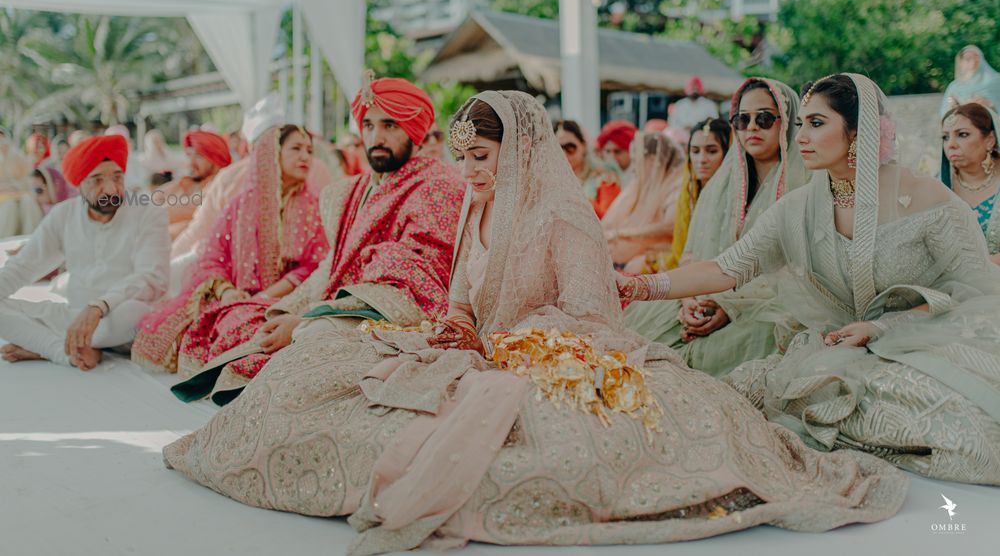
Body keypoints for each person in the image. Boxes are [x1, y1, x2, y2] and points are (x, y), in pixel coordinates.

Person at [162, 89, 906, 553]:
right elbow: (459, 288)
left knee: (522, 448)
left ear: (516, 150)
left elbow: (588, 314)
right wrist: (456, 321)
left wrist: (494, 341)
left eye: (479, 157)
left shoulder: (563, 218)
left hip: (550, 355)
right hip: (474, 347)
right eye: (461, 157)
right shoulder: (478, 207)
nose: (469, 172)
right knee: (312, 369)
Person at [620, 73, 1000, 484]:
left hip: (921, 342)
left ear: (858, 132)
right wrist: (639, 287)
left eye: (817, 124)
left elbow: (974, 291)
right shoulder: (798, 207)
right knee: (725, 405)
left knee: (967, 431)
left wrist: (882, 326)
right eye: (800, 124)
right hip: (831, 350)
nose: (801, 136)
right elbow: (725, 269)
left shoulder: (927, 199)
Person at [166, 75, 465, 404]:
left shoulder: (438, 183)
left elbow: (414, 281)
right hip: (331, 305)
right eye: (368, 125)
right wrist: (281, 311)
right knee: (251, 320)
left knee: (312, 336)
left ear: (415, 132)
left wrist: (303, 321)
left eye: (390, 126)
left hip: (387, 316)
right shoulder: (351, 192)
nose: (376, 137)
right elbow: (330, 265)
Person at [625, 78, 809, 378]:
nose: (751, 128)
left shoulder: (803, 184)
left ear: (785, 122)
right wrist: (689, 299)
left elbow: (796, 271)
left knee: (729, 350)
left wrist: (730, 306)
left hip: (764, 306)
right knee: (638, 331)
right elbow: (693, 254)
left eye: (763, 119)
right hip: (705, 293)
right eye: (742, 119)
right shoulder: (722, 185)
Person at [131, 125, 329, 380]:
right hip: (233, 295)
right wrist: (227, 291)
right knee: (174, 329)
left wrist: (265, 296)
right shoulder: (242, 204)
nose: (305, 156)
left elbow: (314, 265)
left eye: (310, 151)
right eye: (296, 148)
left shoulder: (314, 207)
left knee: (252, 327)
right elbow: (212, 255)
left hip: (288, 300)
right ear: (271, 154)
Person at [0, 135, 169, 369]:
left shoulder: (148, 213)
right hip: (74, 316)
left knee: (133, 311)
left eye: (117, 177)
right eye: (97, 180)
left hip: (120, 318)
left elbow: (153, 278)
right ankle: (63, 350)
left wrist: (99, 306)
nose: (110, 189)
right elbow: (22, 266)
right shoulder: (63, 215)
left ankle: (50, 344)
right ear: (79, 183)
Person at [169, 95, 334, 262]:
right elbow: (200, 231)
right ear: (250, 148)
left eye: (275, 143)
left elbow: (331, 229)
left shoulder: (313, 170)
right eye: (263, 145)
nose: (268, 152)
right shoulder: (230, 179)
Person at [642, 118, 731, 272]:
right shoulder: (690, 192)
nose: (701, 160)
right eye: (695, 151)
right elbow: (681, 251)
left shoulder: (733, 197)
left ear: (728, 154)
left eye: (712, 151)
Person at [601, 132, 684, 272]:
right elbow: (611, 221)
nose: (634, 168)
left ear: (652, 160)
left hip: (659, 254)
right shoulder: (639, 184)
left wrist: (623, 234)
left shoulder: (677, 184)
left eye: (636, 161)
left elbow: (670, 227)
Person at [941, 102, 1000, 263]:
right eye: (945, 137)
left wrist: (983, 266)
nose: (951, 145)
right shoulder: (938, 186)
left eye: (963, 134)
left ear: (990, 140)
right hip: (954, 283)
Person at [154, 129, 231, 240]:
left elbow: (195, 209)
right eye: (189, 155)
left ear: (217, 160)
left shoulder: (220, 186)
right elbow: (151, 200)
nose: (191, 162)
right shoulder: (184, 182)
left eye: (199, 156)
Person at [553, 119, 620, 218]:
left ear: (583, 146)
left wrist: (574, 197)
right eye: (558, 148)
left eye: (570, 147)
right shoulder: (551, 181)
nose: (564, 154)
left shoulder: (604, 178)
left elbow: (609, 218)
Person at [0, 128, 42, 238]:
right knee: (10, 206)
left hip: (20, 193)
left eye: (3, 142)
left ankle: (30, 236)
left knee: (28, 202)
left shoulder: (17, 157)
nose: (2, 146)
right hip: (3, 197)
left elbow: (28, 178)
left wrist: (17, 185)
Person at [940, 45, 1000, 115]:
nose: (973, 62)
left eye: (976, 57)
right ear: (961, 62)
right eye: (968, 59)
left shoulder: (995, 81)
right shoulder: (954, 86)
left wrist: (989, 104)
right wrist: (956, 106)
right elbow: (945, 113)